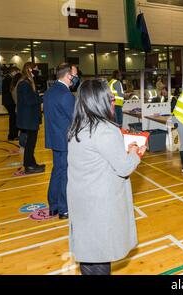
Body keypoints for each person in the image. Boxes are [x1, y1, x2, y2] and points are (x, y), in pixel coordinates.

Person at [67, 79, 146, 275]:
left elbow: (101, 157)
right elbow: (124, 167)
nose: (113, 102)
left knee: (89, 257)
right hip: (99, 205)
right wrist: (136, 152)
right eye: (110, 99)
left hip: (81, 200)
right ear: (99, 101)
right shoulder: (104, 129)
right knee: (100, 258)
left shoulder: (79, 125)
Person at [43, 63, 78, 220]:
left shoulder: (49, 92)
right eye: (75, 75)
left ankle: (54, 206)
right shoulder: (66, 95)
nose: (76, 78)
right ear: (68, 75)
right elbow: (76, 119)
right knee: (65, 174)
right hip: (65, 140)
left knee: (57, 171)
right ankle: (64, 209)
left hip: (54, 138)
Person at [16, 62, 45, 174]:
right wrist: (42, 98)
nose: (37, 71)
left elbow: (30, 98)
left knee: (31, 144)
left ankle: (31, 163)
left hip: (30, 119)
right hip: (28, 120)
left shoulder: (28, 83)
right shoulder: (24, 83)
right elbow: (28, 101)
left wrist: (39, 96)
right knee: (30, 144)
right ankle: (29, 166)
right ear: (30, 70)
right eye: (36, 69)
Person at [2, 66, 20, 140]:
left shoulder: (7, 78)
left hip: (8, 102)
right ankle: (12, 136)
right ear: (14, 72)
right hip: (10, 102)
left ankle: (12, 135)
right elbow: (11, 91)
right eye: (17, 72)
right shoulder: (9, 79)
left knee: (13, 119)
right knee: (13, 119)